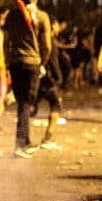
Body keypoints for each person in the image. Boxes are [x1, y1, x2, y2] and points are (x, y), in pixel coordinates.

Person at [2, 0, 52, 158]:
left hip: (15, 63)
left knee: (22, 102)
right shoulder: (42, 16)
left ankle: (26, 140)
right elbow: (47, 45)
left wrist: (6, 61)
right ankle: (20, 144)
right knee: (25, 103)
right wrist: (43, 63)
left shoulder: (12, 16)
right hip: (32, 63)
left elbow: (5, 41)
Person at [32, 16, 66, 150]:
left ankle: (23, 137)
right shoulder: (49, 42)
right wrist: (58, 78)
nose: (58, 28)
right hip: (48, 79)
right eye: (57, 25)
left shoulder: (36, 40)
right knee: (56, 104)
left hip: (36, 77)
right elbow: (53, 62)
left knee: (32, 104)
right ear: (52, 27)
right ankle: (47, 138)